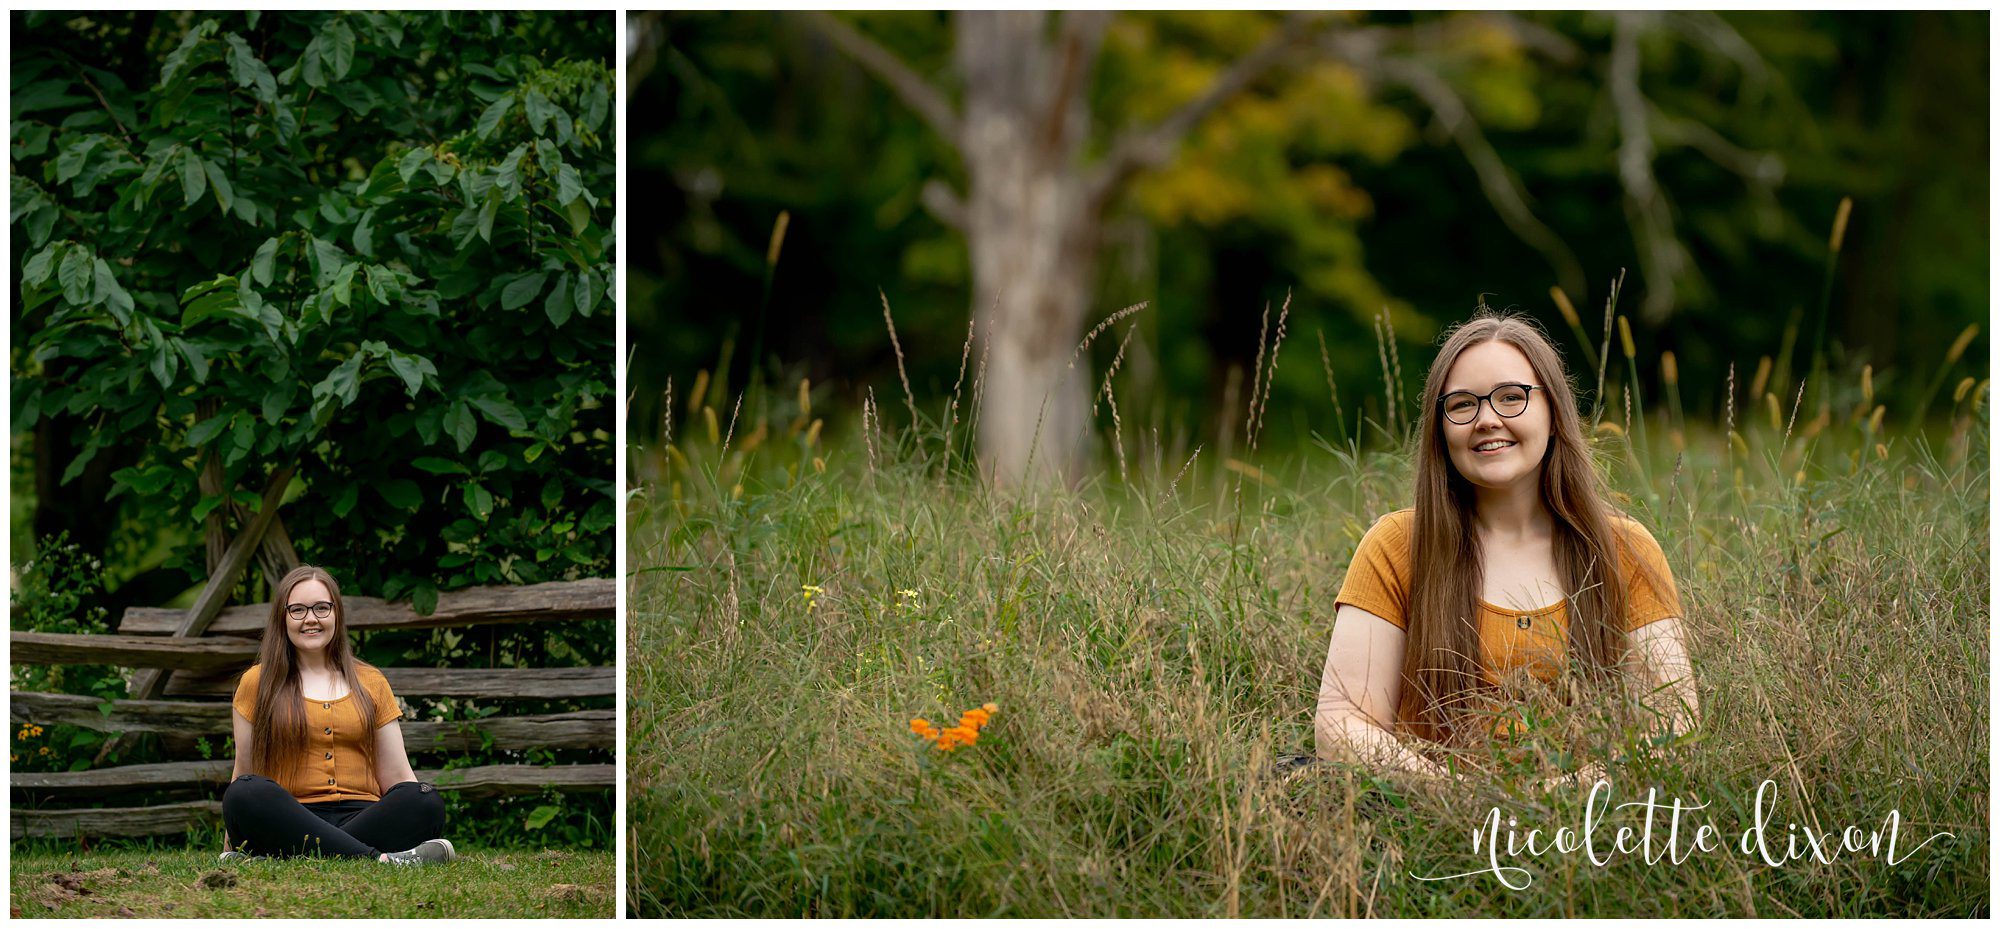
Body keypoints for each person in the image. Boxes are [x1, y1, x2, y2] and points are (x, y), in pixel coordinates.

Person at [1313, 310, 1697, 784]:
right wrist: (1462, 800)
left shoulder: (1626, 550)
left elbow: (1672, 730)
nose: (1487, 419)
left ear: (1554, 414)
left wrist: (1562, 799)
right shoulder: (1396, 546)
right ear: (1441, 428)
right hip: (1422, 825)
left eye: (1512, 398)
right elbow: (1341, 722)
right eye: (1462, 405)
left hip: (1586, 833)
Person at [220, 565, 456, 865]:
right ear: (282, 617)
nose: (311, 619)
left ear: (336, 614)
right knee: (244, 792)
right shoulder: (257, 682)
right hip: (290, 818)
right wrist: (230, 847)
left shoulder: (371, 681)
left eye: (321, 608)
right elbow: (244, 771)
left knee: (424, 799)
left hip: (364, 817)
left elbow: (398, 776)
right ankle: (381, 861)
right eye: (298, 610)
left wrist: (416, 805)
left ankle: (294, 858)